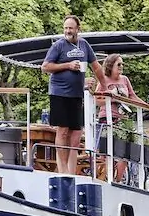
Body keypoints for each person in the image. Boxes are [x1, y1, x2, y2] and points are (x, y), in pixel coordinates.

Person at [41, 15, 104, 175]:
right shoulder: (58, 46)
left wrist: (104, 85)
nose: (68, 31)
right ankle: (62, 170)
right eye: (65, 28)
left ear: (78, 29)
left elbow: (96, 67)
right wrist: (68, 65)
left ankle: (71, 169)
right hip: (59, 93)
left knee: (76, 133)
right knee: (62, 130)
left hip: (77, 95)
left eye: (70, 28)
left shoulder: (84, 45)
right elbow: (45, 67)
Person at [93, 54, 136, 171]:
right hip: (106, 118)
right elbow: (96, 100)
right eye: (118, 64)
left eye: (122, 64)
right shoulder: (104, 80)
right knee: (105, 152)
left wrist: (148, 106)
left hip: (122, 119)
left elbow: (132, 96)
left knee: (126, 153)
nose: (121, 66)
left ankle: (118, 179)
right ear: (110, 66)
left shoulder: (125, 79)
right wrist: (112, 98)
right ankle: (107, 176)